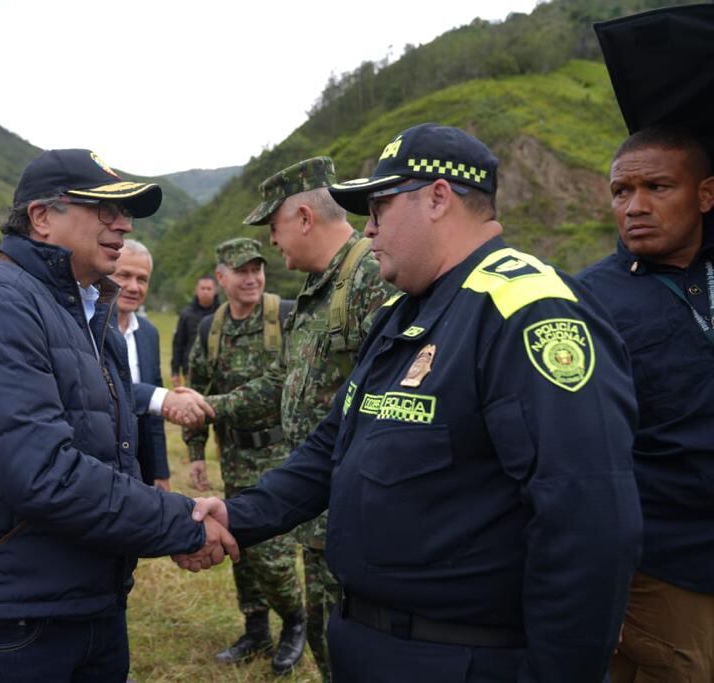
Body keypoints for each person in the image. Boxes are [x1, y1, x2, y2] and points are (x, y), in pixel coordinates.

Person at [182, 123, 643, 681]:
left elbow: (587, 521)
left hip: (462, 656)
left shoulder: (527, 311)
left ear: (437, 198)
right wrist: (238, 514)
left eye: (379, 207)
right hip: (372, 642)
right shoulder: (407, 312)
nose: (368, 228)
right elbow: (335, 444)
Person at [0, 148, 237, 682]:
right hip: (14, 619)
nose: (122, 224)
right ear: (42, 217)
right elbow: (44, 473)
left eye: (126, 212)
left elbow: (107, 453)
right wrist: (178, 522)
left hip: (90, 599)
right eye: (103, 210)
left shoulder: (91, 312)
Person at [214, 155, 393, 680]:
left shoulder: (371, 279)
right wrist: (210, 406)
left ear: (304, 218)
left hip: (360, 515)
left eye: (274, 227)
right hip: (320, 510)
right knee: (325, 636)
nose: (272, 243)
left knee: (359, 647)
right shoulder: (318, 291)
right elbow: (286, 381)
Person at [578, 126, 714, 682]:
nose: (635, 207)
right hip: (662, 567)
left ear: (705, 195)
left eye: (657, 188)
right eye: (621, 192)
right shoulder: (586, 299)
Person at [185, 237, 306, 675]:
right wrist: (196, 452)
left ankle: (295, 621)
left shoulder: (286, 316)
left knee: (273, 555)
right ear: (221, 278)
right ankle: (256, 628)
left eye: (257, 268)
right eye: (241, 270)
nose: (252, 277)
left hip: (281, 455)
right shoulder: (210, 329)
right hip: (234, 454)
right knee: (240, 546)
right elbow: (196, 391)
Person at [109, 239, 213, 491]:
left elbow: (154, 418)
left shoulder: (148, 333)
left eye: (142, 279)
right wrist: (160, 398)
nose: (134, 287)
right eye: (124, 275)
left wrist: (160, 472)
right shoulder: (86, 327)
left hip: (138, 467)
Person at [171, 274, 218, 387]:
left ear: (215, 291)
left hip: (217, 370)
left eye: (209, 288)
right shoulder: (186, 314)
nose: (205, 292)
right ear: (196, 290)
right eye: (202, 288)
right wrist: (175, 371)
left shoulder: (222, 313)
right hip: (190, 370)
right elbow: (178, 343)